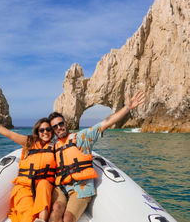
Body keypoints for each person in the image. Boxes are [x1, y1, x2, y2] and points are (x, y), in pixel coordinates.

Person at [48, 91, 145, 222]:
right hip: (62, 187)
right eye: (55, 127)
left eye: (60, 124)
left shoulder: (82, 137)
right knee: (55, 211)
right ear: (52, 130)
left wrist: (127, 108)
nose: (59, 127)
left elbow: (106, 123)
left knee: (67, 218)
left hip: (81, 188)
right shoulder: (54, 147)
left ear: (66, 123)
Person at [0, 111, 56, 222]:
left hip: (43, 188)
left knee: (44, 184)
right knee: (28, 216)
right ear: (38, 131)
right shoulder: (29, 142)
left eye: (48, 129)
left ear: (52, 131)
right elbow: (9, 133)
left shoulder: (56, 147)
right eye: (42, 130)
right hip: (24, 187)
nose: (45, 132)